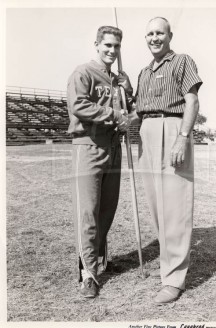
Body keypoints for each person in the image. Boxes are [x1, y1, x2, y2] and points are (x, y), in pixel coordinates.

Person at [131, 17, 203, 304]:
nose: (154, 38)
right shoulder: (143, 71)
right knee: (157, 206)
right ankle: (168, 263)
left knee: (175, 206)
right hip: (146, 132)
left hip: (173, 128)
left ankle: (174, 279)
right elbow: (138, 111)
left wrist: (182, 137)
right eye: (149, 33)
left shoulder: (182, 61)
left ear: (169, 35)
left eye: (159, 32)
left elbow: (192, 101)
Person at [67, 26, 132, 298]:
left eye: (116, 46)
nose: (112, 51)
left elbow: (129, 111)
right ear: (96, 44)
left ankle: (100, 260)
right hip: (89, 148)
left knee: (107, 210)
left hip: (113, 148)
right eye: (107, 45)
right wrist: (113, 115)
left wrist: (128, 91)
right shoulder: (83, 72)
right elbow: (78, 105)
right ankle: (88, 274)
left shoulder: (118, 79)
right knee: (88, 212)